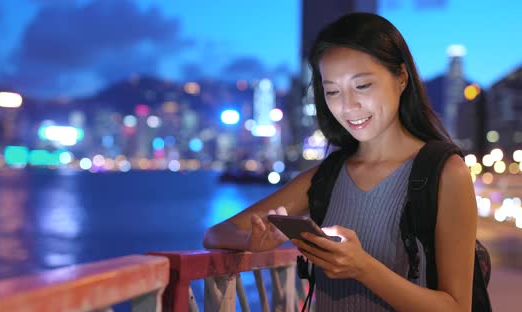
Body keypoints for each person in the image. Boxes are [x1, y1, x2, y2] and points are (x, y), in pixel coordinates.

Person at [203, 12, 477, 311]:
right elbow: (215, 234)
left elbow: (456, 307)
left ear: (401, 77)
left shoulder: (444, 173)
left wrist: (363, 268)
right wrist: (255, 242)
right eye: (332, 91)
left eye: (362, 86)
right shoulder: (326, 176)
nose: (348, 105)